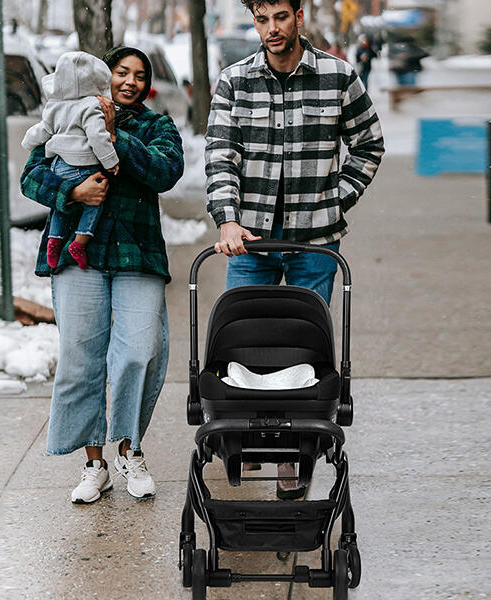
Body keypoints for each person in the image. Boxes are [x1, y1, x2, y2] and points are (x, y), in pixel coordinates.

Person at [205, 0, 384, 499]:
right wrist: (229, 219)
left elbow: (369, 145)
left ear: (298, 16)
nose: (271, 29)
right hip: (251, 242)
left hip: (314, 244)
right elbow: (220, 154)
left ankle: (294, 453)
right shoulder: (234, 81)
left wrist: (335, 200)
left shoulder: (338, 76)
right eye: (261, 20)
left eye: (279, 18)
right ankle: (242, 441)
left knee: (304, 352)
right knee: (242, 347)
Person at [20, 46, 184, 504]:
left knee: (137, 353)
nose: (130, 81)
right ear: (103, 75)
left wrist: (114, 135)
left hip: (138, 255)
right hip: (79, 256)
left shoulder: (155, 125)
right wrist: (73, 190)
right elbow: (31, 176)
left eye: (138, 75)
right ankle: (95, 465)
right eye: (120, 72)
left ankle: (130, 450)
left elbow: (165, 171)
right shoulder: (66, 113)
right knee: (81, 360)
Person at [22, 51, 120, 270]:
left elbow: (42, 130)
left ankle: (54, 240)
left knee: (60, 207)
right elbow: (97, 136)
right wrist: (110, 161)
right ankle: (79, 242)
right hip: (83, 166)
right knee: (95, 203)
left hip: (58, 166)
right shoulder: (91, 106)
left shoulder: (54, 106)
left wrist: (28, 141)